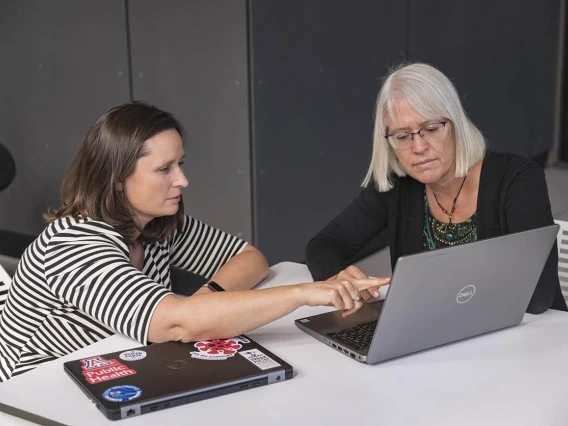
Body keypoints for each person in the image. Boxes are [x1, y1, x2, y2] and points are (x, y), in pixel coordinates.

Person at [0, 102, 388, 382]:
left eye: (180, 164)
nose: (182, 180)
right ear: (116, 179)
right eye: (164, 169)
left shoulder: (156, 224)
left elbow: (251, 258)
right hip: (33, 395)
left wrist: (208, 299)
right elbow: (175, 324)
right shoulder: (76, 243)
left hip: (110, 374)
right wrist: (304, 292)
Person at [305, 63, 566, 315]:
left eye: (430, 129)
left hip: (531, 338)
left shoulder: (516, 178)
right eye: (402, 136)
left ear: (456, 125)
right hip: (434, 337)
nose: (418, 147)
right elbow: (324, 245)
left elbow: (537, 297)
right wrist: (340, 278)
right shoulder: (398, 185)